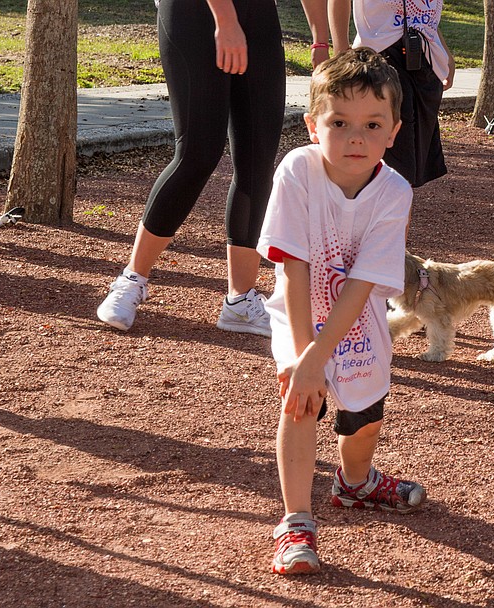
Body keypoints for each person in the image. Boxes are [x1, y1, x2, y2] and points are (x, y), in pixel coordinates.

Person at [256, 48, 424, 575]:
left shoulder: (394, 191)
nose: (356, 138)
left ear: (393, 131)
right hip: (300, 308)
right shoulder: (297, 172)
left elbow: (362, 285)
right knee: (300, 400)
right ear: (312, 126)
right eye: (340, 122)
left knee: (365, 417)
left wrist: (324, 355)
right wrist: (306, 361)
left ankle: (355, 482)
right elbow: (294, 269)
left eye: (373, 125)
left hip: (356, 313)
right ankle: (296, 524)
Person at [96, 0, 330, 335]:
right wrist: (226, 19)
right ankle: (132, 279)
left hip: (258, 14)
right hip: (194, 14)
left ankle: (240, 301)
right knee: (197, 153)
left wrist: (320, 42)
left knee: (257, 159)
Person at [328, 0, 455, 188]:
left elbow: (422, 16)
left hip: (426, 60)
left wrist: (445, 53)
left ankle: (397, 216)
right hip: (381, 58)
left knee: (408, 174)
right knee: (393, 170)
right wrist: (340, 50)